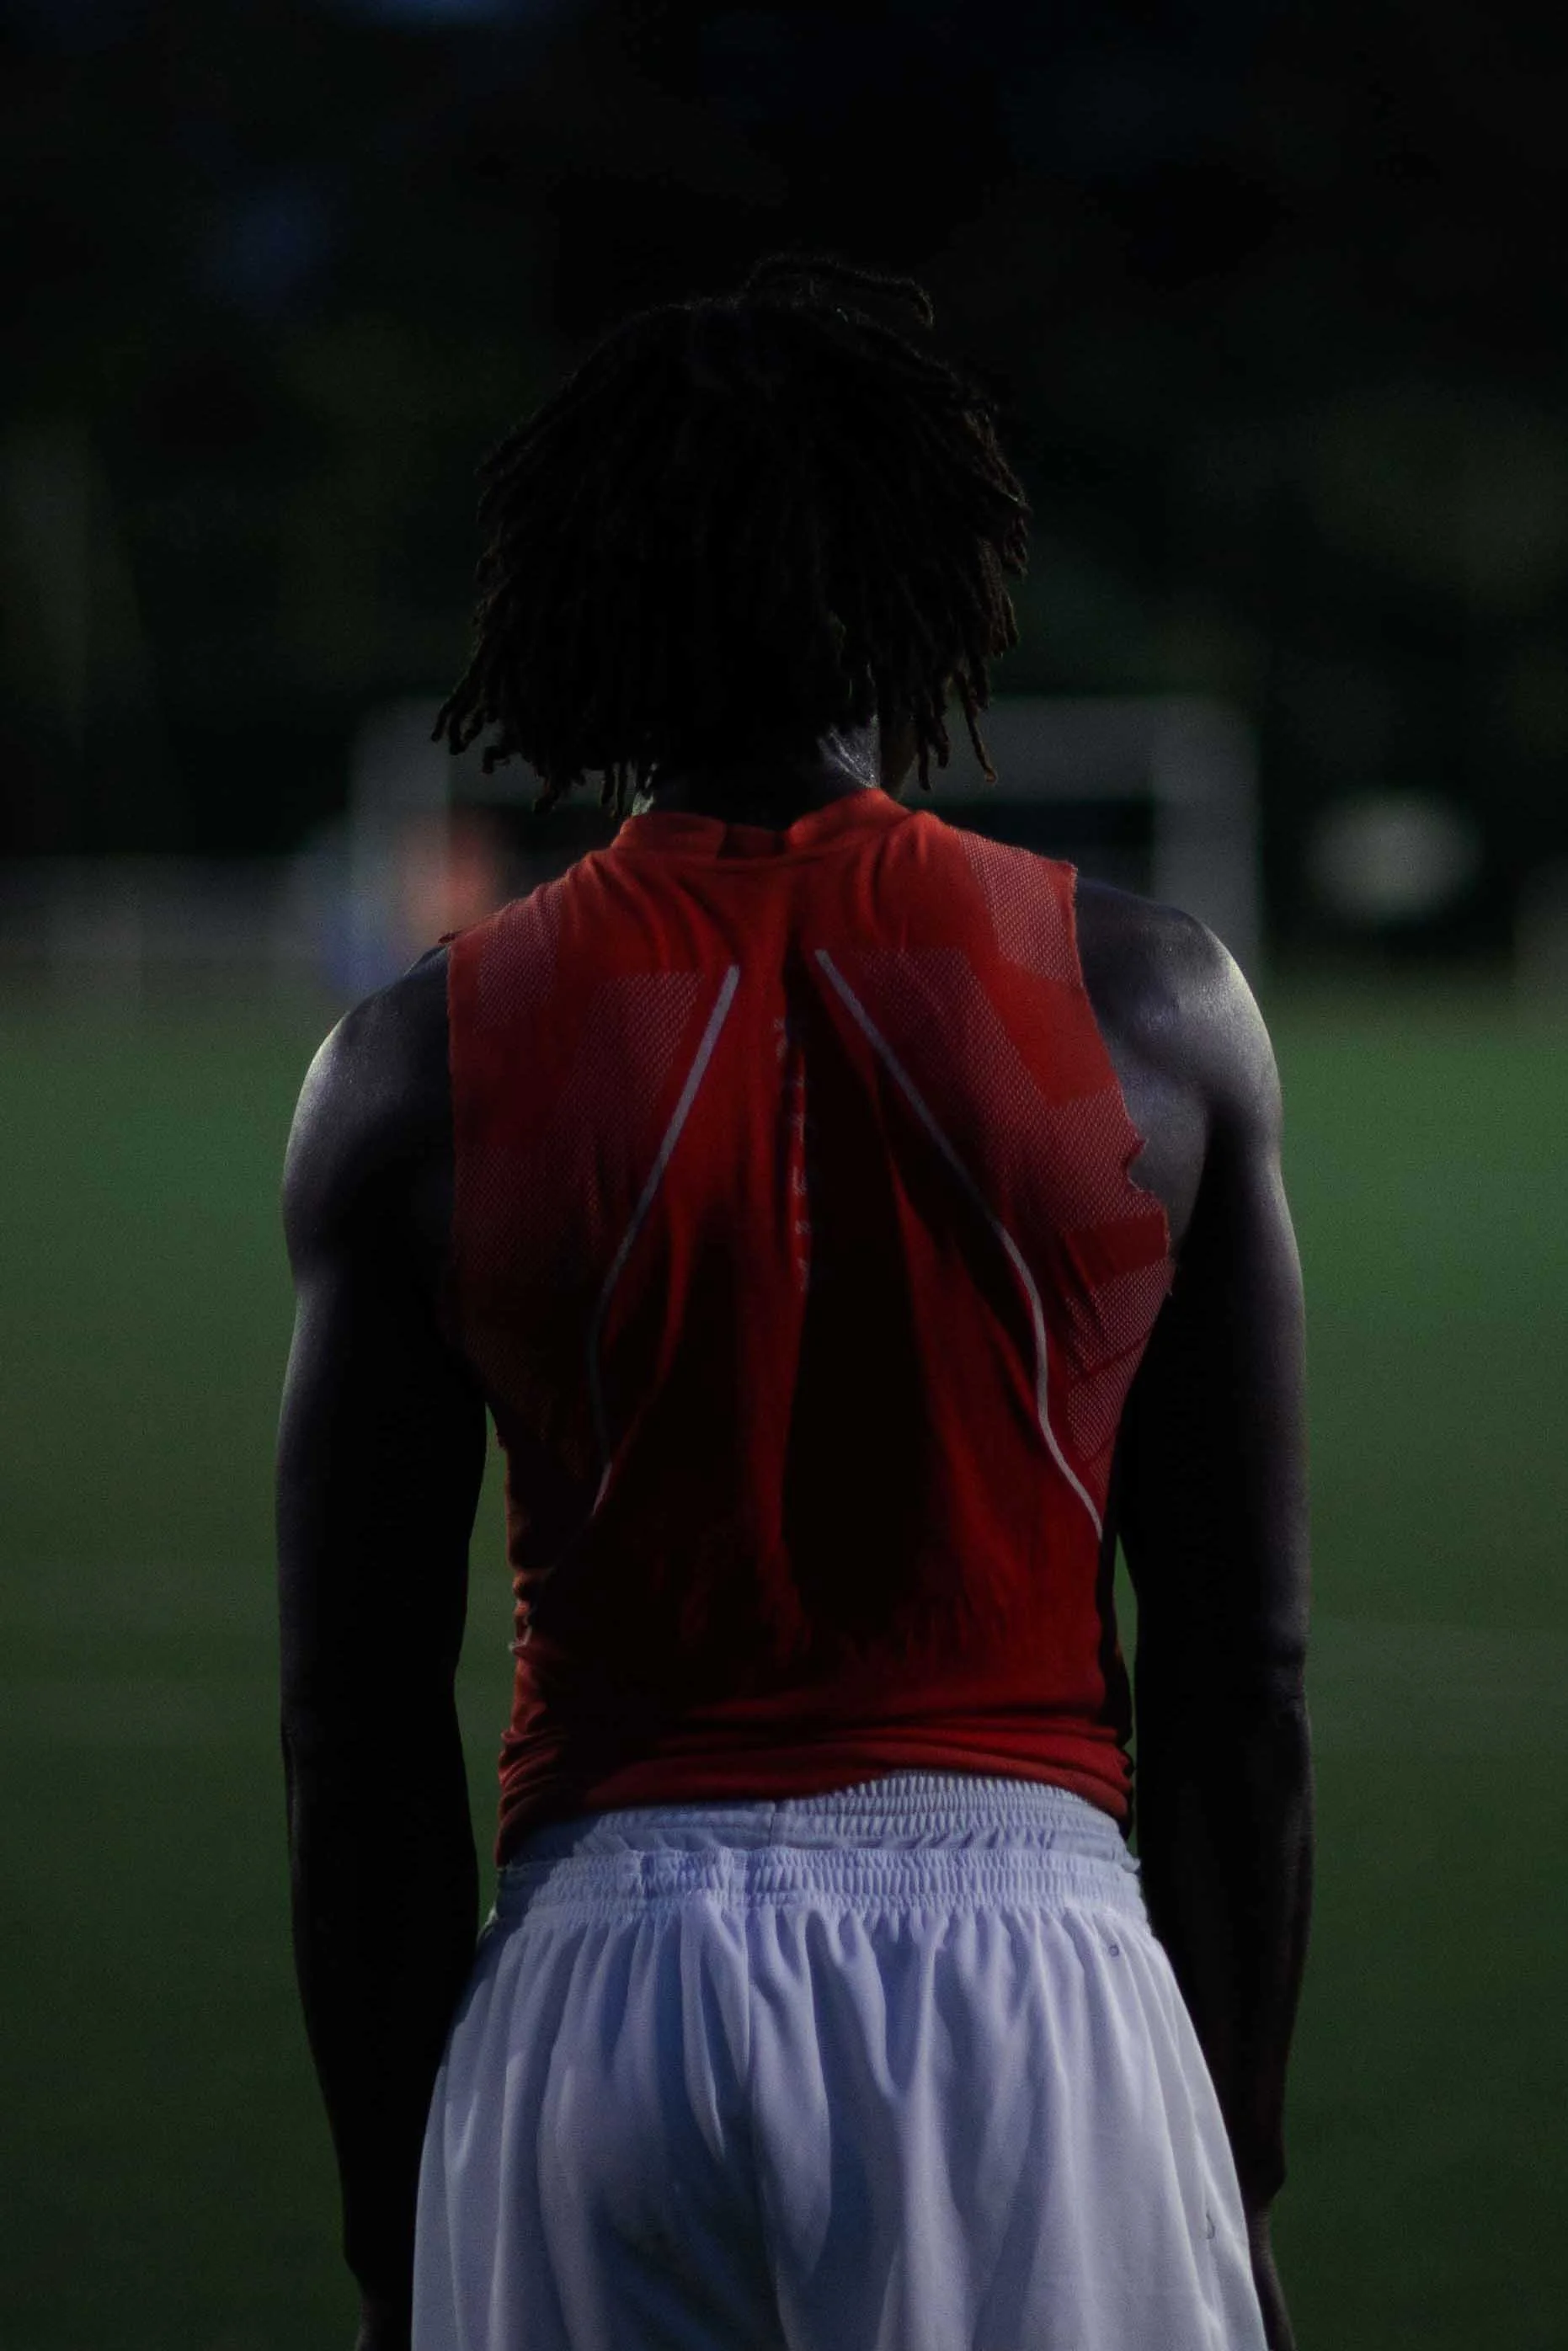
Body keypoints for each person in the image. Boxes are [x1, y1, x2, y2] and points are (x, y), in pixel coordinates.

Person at [277, 253, 1312, 2351]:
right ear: (916, 580)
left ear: (583, 599)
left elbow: (354, 1731)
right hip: (1036, 1985)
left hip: (590, 1994)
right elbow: (1240, 1677)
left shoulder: (413, 1060)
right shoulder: (1154, 1007)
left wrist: (401, 2234)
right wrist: (1234, 2165)